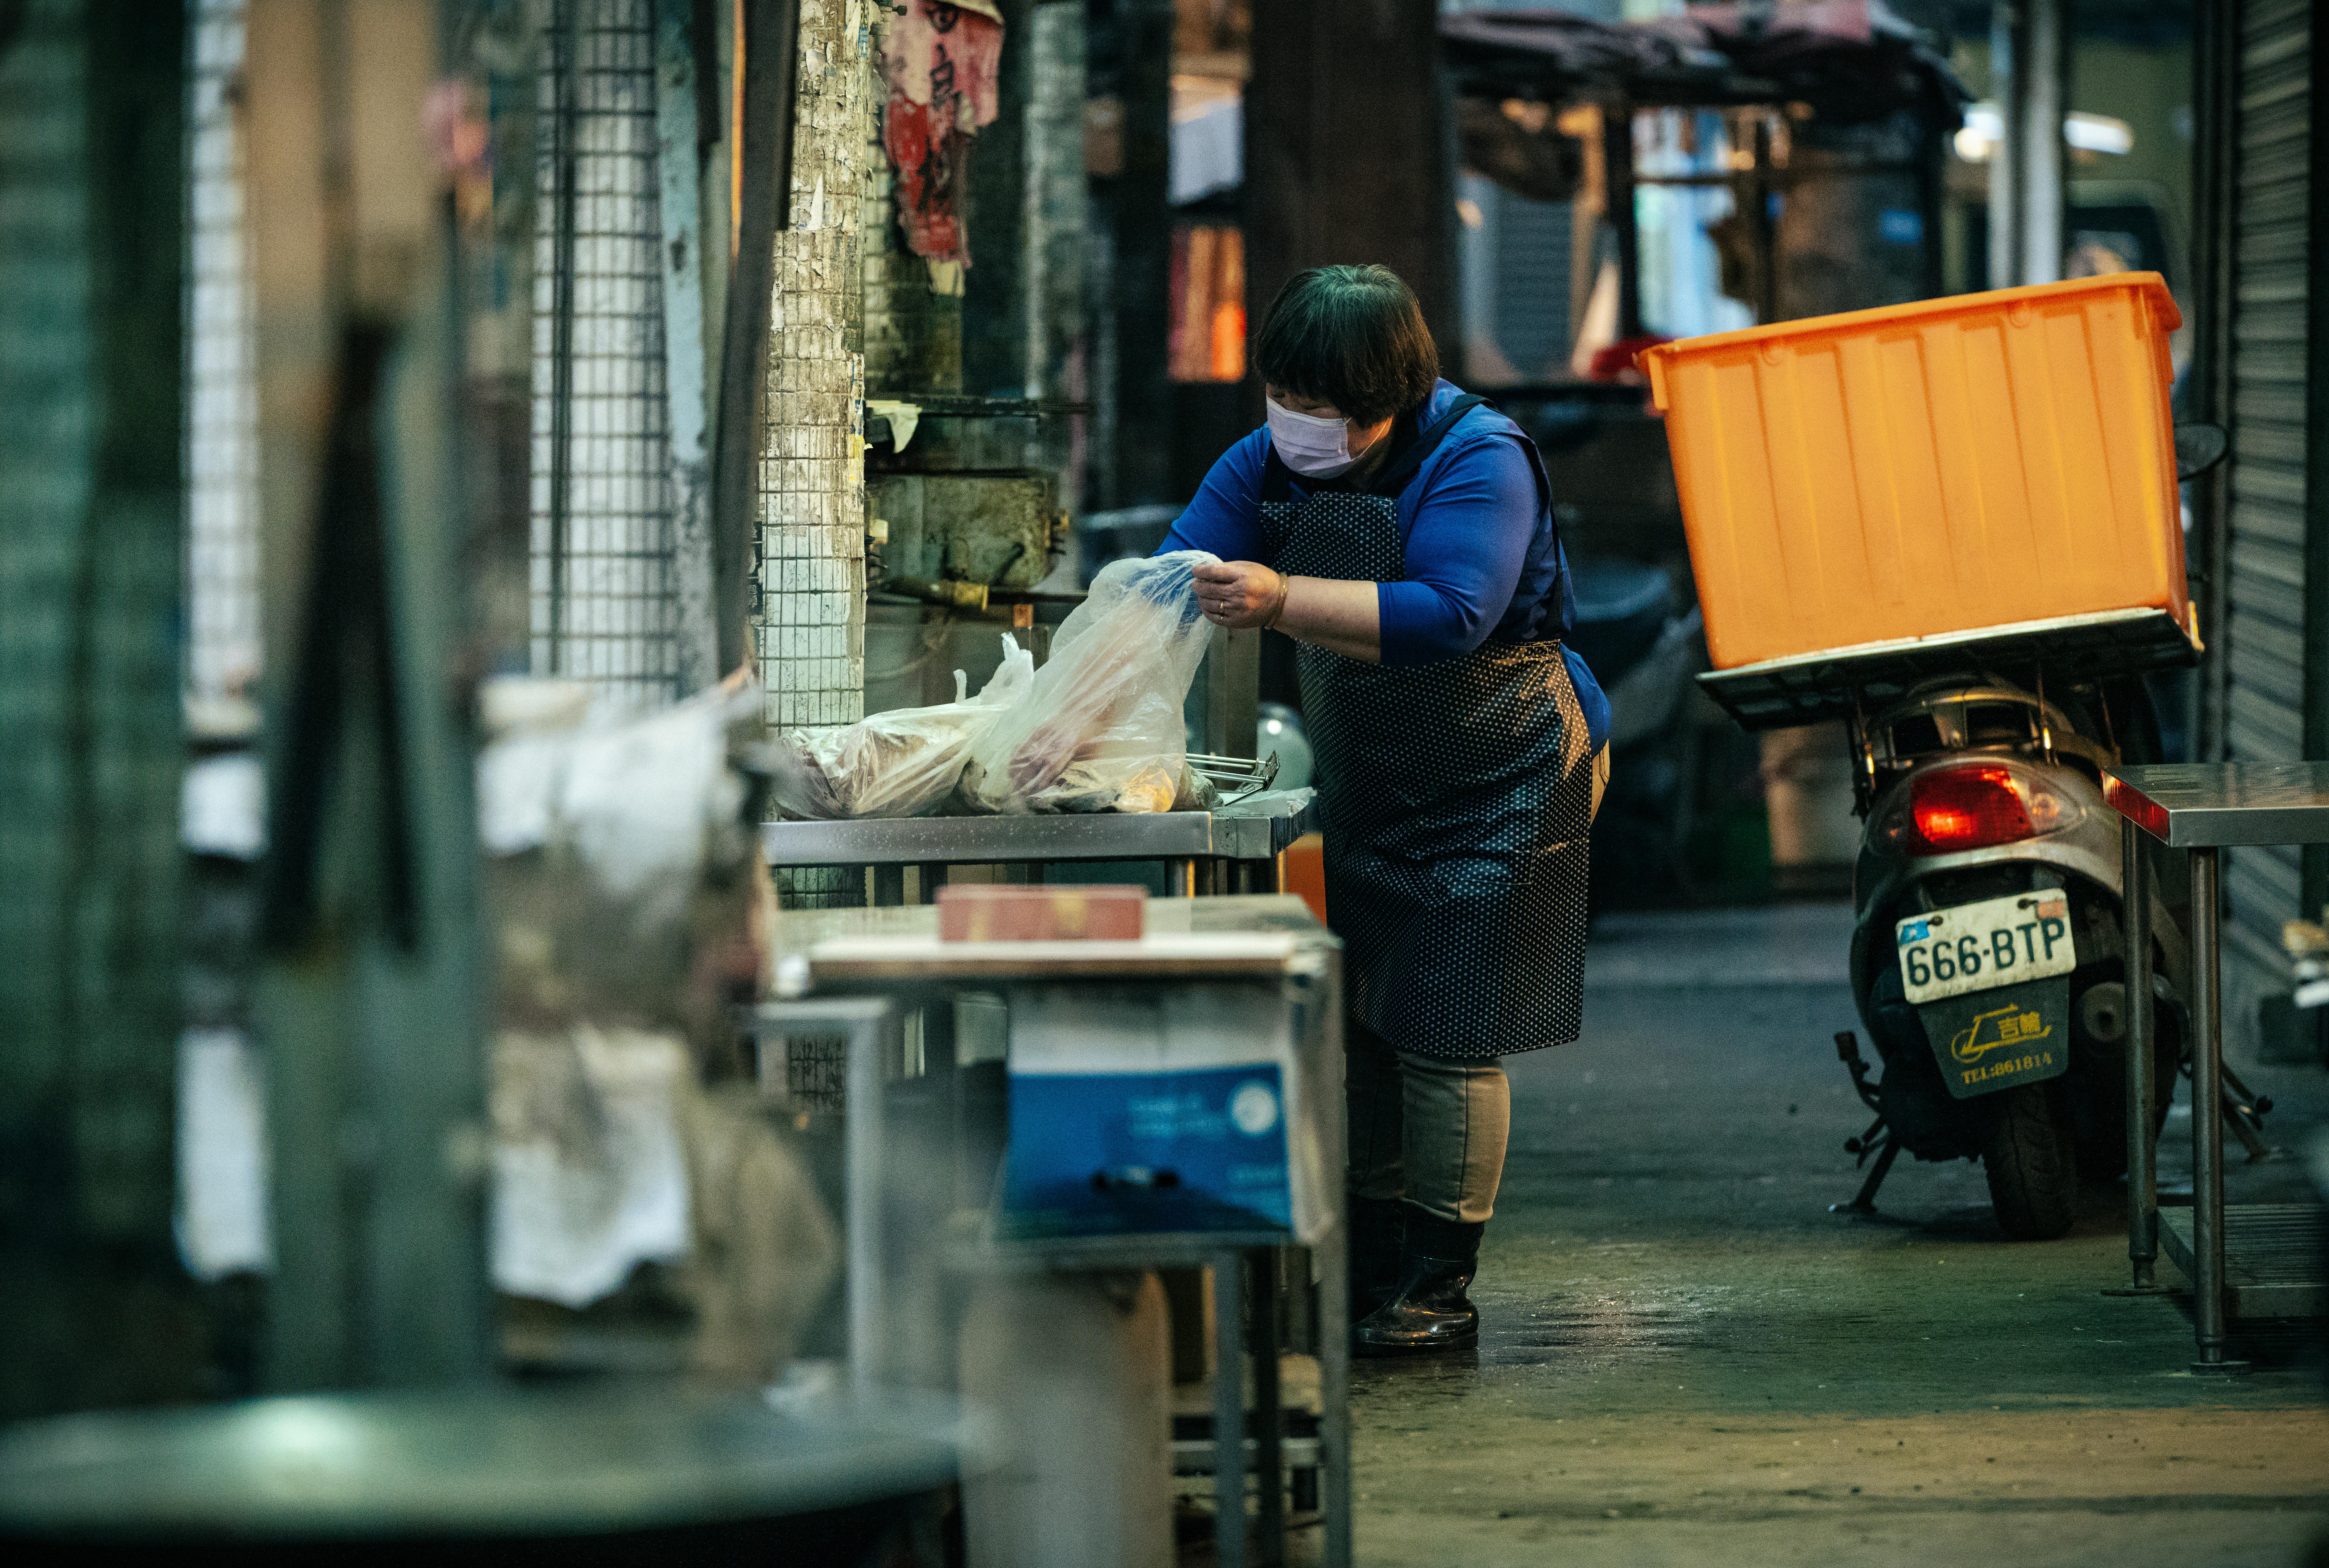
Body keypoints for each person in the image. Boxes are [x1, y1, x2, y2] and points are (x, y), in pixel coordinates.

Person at [1160, 264, 1609, 1356]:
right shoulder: (1265, 459)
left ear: (1388, 398)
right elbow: (1178, 566)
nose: (1296, 426)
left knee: (1447, 1028)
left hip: (1501, 767)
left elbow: (1454, 612)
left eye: (1322, 408)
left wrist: (1277, 598)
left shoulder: (1479, 457)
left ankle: (1438, 1282)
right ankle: (1366, 1259)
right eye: (1285, 397)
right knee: (1363, 1023)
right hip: (1373, 774)